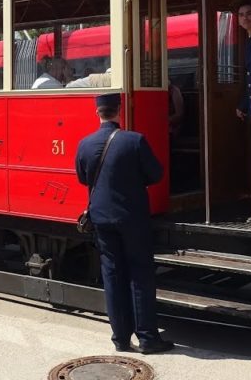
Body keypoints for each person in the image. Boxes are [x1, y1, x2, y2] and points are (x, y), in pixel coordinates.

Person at [75, 93, 174, 355]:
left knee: (112, 274)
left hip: (101, 218)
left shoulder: (84, 144)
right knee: (140, 274)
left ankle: (120, 338)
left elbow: (83, 178)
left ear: (97, 113)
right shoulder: (135, 141)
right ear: (119, 110)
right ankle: (148, 338)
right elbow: (156, 174)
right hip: (132, 217)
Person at [235, 1, 251, 122]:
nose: (245, 18)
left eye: (249, 14)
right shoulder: (248, 44)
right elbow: (250, 78)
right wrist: (243, 104)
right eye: (241, 15)